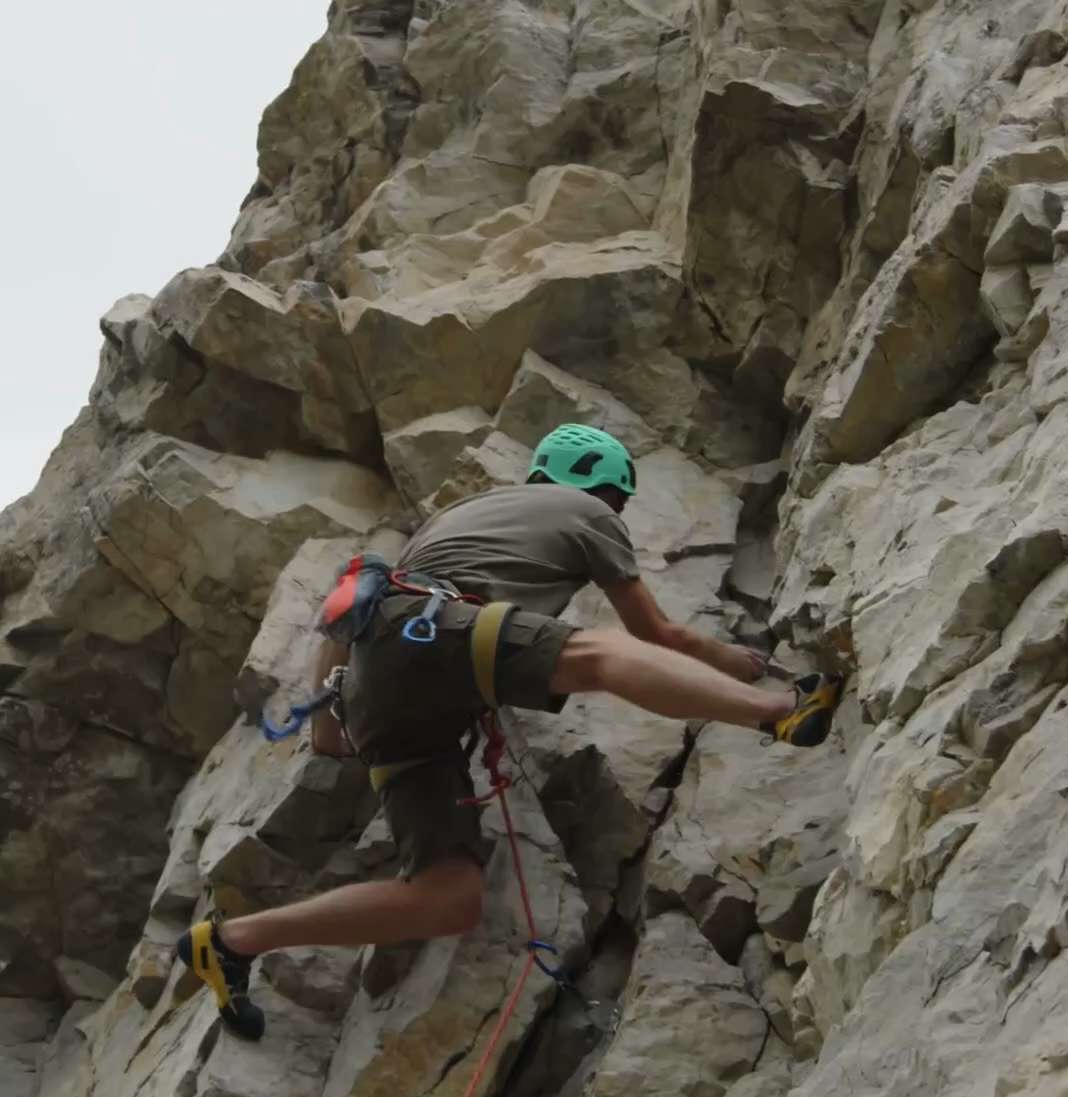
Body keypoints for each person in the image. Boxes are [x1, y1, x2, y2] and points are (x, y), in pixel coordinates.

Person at [177, 424, 842, 1039]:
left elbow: (355, 604)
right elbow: (655, 634)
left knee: (446, 896)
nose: (616, 511)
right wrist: (742, 665)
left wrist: (332, 724)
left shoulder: (448, 524)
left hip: (378, 688)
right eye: (616, 498)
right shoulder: (586, 513)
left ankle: (231, 941)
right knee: (602, 656)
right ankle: (781, 712)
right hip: (435, 633)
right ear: (603, 488)